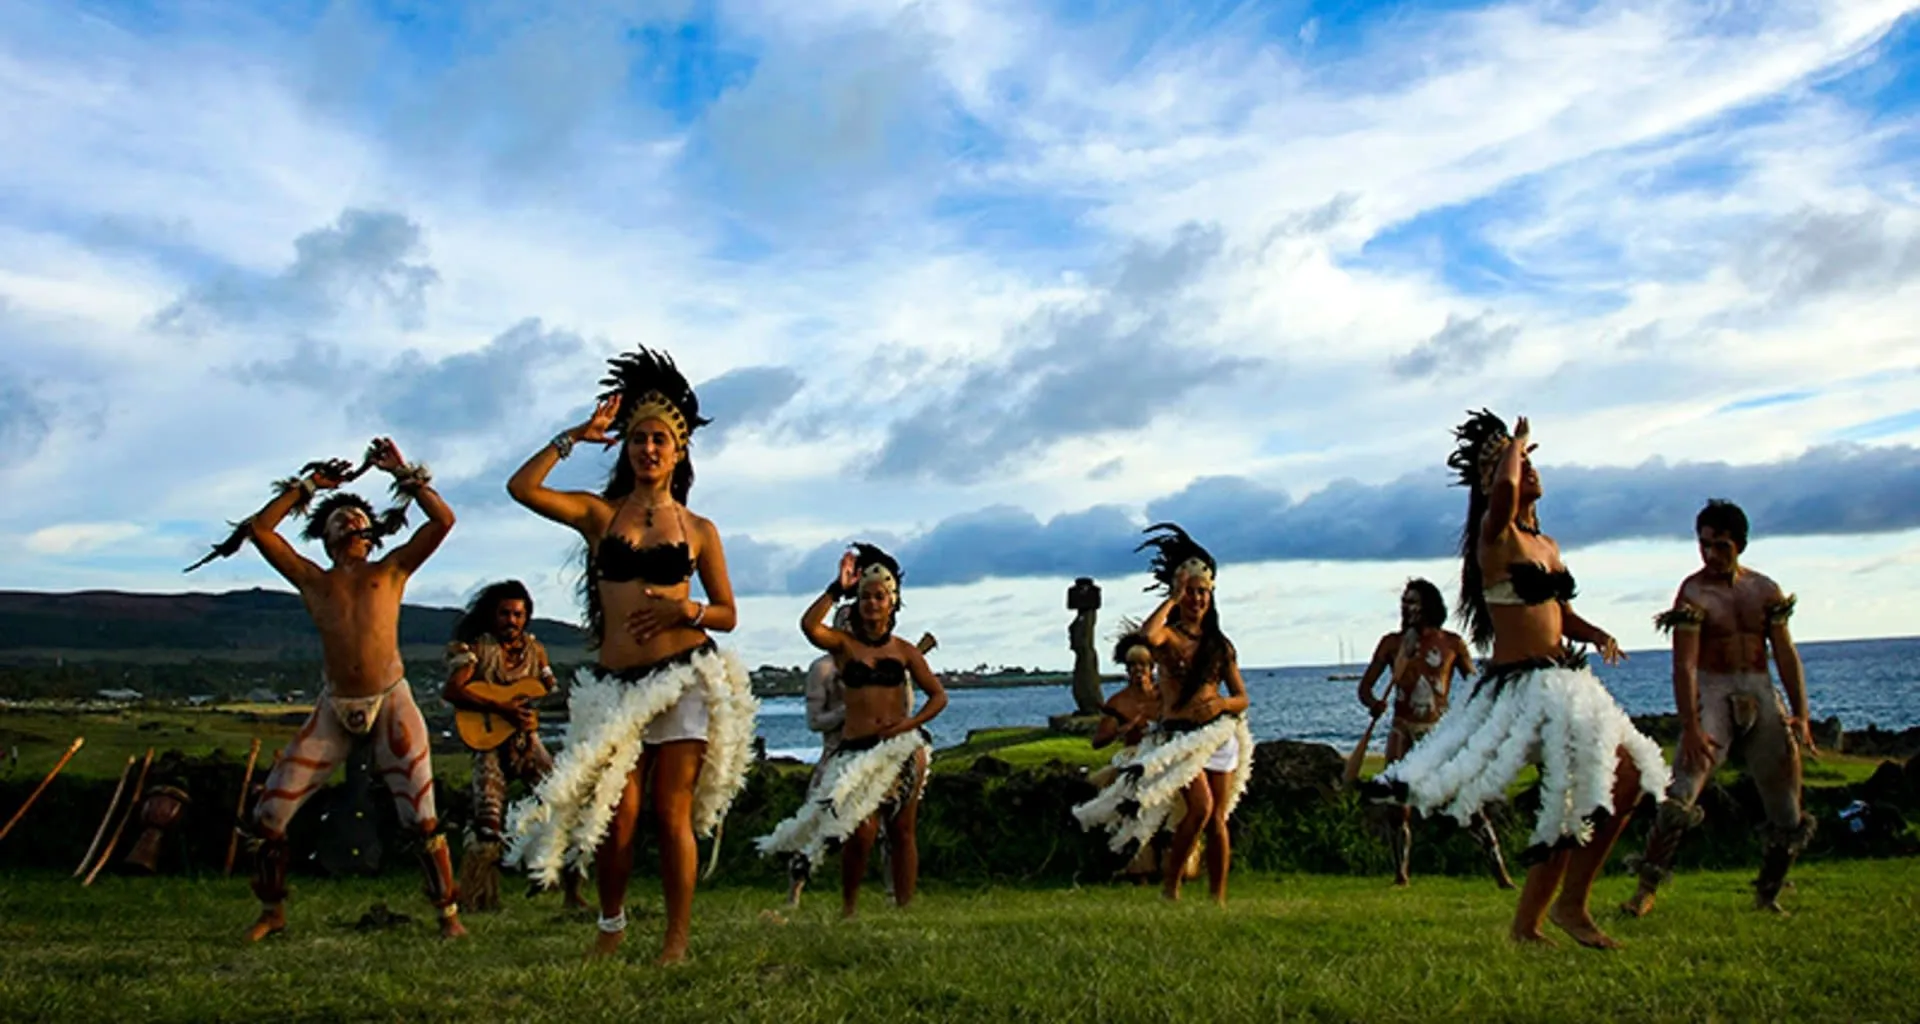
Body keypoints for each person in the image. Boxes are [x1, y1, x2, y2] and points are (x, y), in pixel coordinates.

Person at [1373, 411, 1669, 948]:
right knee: (1598, 785)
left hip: (1565, 679)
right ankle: (1566, 909)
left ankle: (1535, 921)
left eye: (1531, 460)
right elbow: (1505, 489)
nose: (1526, 468)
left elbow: (1557, 612)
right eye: (1518, 462)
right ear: (1493, 480)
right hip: (1523, 690)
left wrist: (1596, 632)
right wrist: (1515, 443)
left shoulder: (1547, 545)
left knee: (1608, 787)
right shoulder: (1497, 533)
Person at [501, 347, 758, 963]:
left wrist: (683, 610)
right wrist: (575, 435)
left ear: (680, 451)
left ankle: (676, 938)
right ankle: (610, 926)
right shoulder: (600, 516)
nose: (649, 449)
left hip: (683, 680)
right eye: (639, 439)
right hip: (617, 686)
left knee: (671, 816)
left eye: (661, 440)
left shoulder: (699, 530)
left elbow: (727, 610)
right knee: (617, 813)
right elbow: (520, 487)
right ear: (627, 448)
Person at [189, 438, 464, 941]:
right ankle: (271, 911)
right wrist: (310, 486)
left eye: (355, 514)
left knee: (420, 816)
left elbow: (442, 522)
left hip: (391, 697)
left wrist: (402, 472)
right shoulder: (314, 581)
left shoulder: (392, 570)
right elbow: (261, 531)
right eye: (337, 516)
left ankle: (447, 914)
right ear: (325, 534)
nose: (347, 520)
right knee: (270, 814)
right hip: (335, 703)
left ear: (371, 531)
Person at [1623, 499, 1814, 916]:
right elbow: (1685, 665)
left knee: (1787, 806)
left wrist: (1800, 712)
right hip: (1713, 690)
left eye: (1720, 545)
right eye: (1704, 544)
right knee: (1682, 793)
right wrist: (1690, 726)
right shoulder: (1694, 592)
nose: (1710, 554)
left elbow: (1785, 654)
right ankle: (1645, 890)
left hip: (1759, 688)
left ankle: (1768, 893)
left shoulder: (1765, 590)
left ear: (1740, 544)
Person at [758, 544, 949, 918]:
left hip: (901, 749)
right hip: (855, 749)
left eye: (879, 597)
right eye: (865, 597)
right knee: (859, 831)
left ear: (892, 603)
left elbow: (938, 697)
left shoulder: (905, 651)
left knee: (902, 831)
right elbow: (809, 626)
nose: (872, 604)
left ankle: (904, 908)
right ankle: (849, 908)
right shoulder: (844, 646)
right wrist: (836, 589)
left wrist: (909, 725)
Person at [1073, 524, 1253, 906]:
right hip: (1179, 739)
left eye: (1203, 592)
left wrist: (1221, 705)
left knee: (1218, 819)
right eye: (1191, 591)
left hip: (1217, 735)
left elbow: (1241, 697)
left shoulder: (1220, 644)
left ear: (1212, 595)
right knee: (1200, 809)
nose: (1197, 599)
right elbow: (1147, 635)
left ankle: (1217, 897)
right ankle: (1170, 886)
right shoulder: (1169, 637)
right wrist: (1172, 597)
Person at [1355, 580, 1514, 888]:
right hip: (1401, 731)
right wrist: (1374, 703)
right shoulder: (1391, 644)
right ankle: (1401, 876)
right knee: (1397, 809)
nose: (1406, 608)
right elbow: (1364, 688)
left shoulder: (1452, 644)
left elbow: (1473, 685)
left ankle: (1501, 875)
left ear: (1430, 606)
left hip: (1439, 733)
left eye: (1413, 602)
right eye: (1404, 602)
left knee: (1470, 803)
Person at [441, 580, 586, 913]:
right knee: (488, 822)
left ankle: (572, 893)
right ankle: (480, 898)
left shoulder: (536, 652)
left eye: (518, 614)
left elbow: (549, 689)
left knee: (565, 803)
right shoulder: (475, 649)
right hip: (489, 743)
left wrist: (545, 705)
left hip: (526, 742)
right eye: (505, 613)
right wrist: (502, 708)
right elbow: (453, 690)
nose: (512, 620)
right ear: (493, 615)